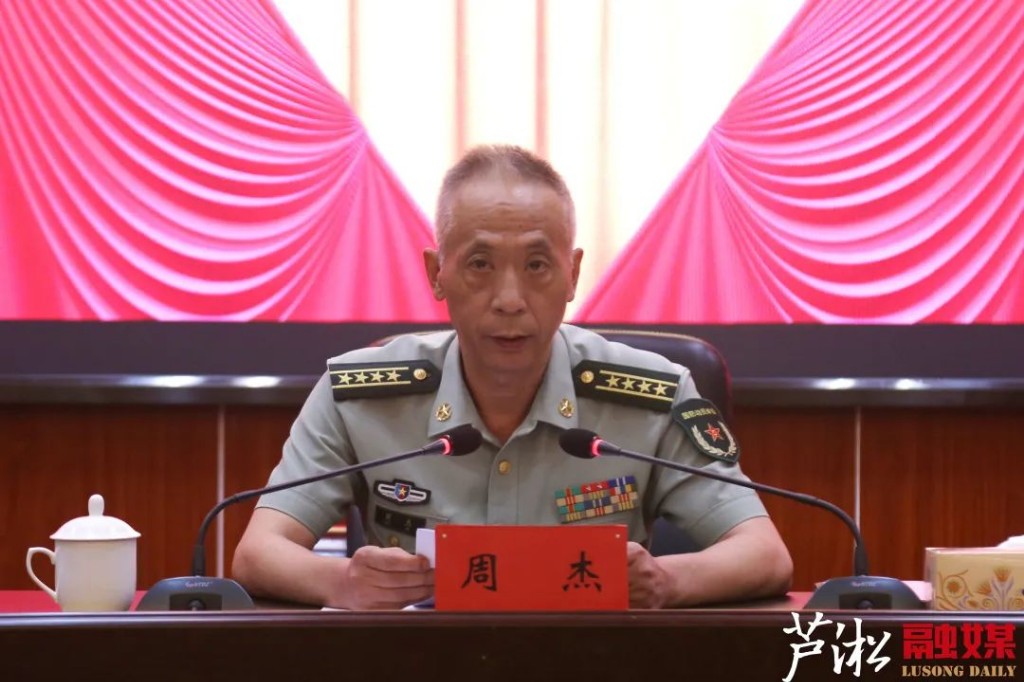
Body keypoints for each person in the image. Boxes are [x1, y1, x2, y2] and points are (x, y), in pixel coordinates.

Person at [233, 145, 792, 609]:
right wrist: (342, 582)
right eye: (480, 264)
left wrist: (667, 581)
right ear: (437, 273)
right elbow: (258, 552)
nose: (509, 299)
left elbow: (764, 554)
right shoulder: (357, 395)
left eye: (537, 265)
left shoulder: (654, 396)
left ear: (572, 274)